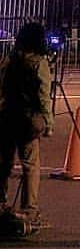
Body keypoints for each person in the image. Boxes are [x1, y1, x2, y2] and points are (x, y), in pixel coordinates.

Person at [0, 21, 53, 227]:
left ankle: (1, 202)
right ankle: (29, 209)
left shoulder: (10, 60)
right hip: (28, 119)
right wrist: (48, 123)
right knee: (30, 164)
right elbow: (43, 96)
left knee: (4, 163)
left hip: (6, 116)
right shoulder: (39, 63)